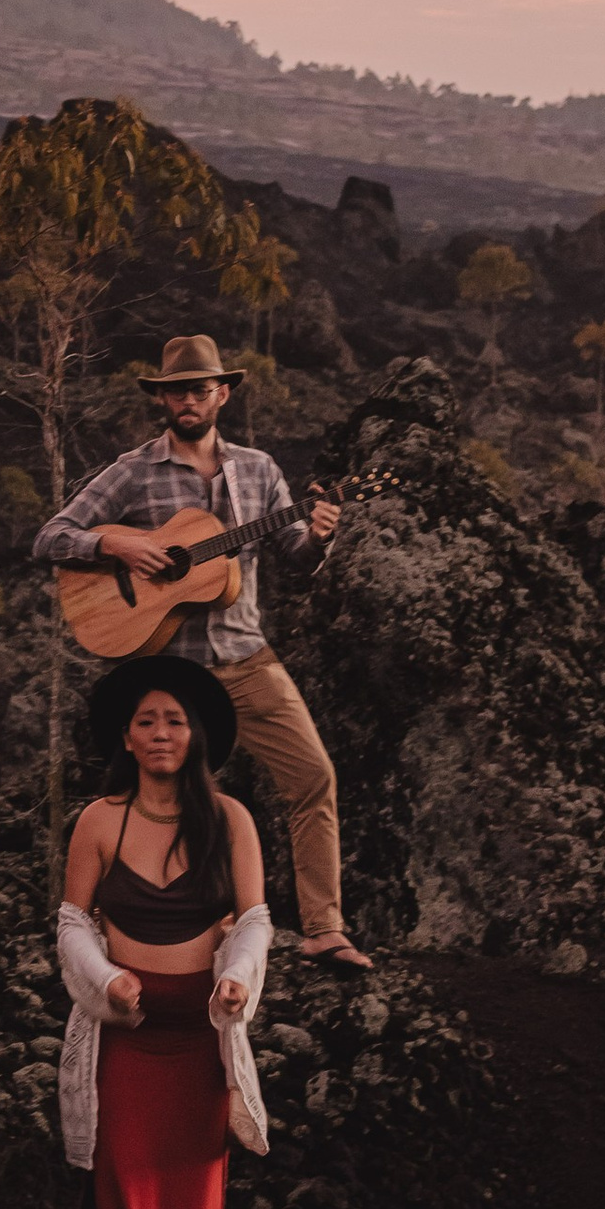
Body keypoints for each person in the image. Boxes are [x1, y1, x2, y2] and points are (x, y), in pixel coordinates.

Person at [33, 332, 371, 973]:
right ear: (161, 398)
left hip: (247, 659)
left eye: (198, 388)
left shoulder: (260, 470)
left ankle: (324, 929)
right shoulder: (134, 472)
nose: (187, 399)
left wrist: (321, 537)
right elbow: (52, 537)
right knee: (168, 807)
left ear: (222, 393)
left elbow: (295, 559)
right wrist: (120, 548)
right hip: (171, 676)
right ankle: (156, 940)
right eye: (175, 390)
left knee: (314, 777)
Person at [56, 655, 272, 1209]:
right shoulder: (99, 820)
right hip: (128, 1033)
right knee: (121, 1175)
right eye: (147, 720)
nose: (160, 733)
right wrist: (105, 976)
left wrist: (239, 978)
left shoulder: (231, 820)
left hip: (199, 1037)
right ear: (125, 735)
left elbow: (253, 921)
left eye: (174, 721)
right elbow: (73, 923)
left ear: (196, 735)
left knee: (191, 1185)